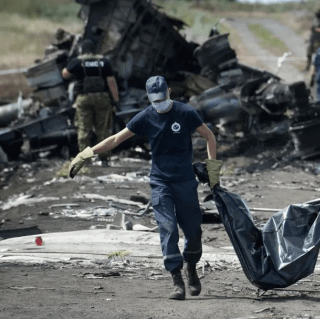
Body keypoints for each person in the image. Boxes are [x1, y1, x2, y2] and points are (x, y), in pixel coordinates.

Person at [68, 76, 222, 301]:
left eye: (162, 98)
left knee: (193, 231)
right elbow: (116, 139)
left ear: (169, 92)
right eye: (154, 100)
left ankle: (191, 267)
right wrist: (87, 152)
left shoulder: (185, 112)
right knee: (167, 228)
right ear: (149, 98)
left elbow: (208, 136)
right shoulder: (146, 116)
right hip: (160, 182)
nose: (159, 103)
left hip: (185, 181)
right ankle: (177, 279)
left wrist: (213, 170)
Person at [62, 39, 119, 163]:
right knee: (103, 129)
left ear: (82, 49)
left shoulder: (77, 61)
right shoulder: (104, 61)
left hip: (84, 99)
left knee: (84, 129)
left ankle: (85, 160)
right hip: (102, 98)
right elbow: (111, 82)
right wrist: (115, 100)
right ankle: (104, 158)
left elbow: (65, 74)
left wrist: (69, 64)